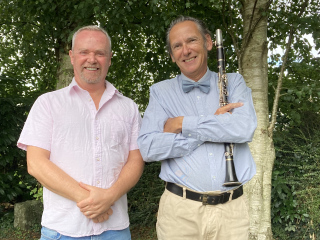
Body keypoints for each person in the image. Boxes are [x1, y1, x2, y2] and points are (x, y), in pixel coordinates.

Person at [17, 25, 144, 240]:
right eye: (84, 52)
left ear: (110, 58)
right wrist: (92, 201)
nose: (92, 59)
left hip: (115, 229)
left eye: (100, 53)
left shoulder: (129, 107)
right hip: (62, 230)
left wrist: (110, 196)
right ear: (72, 57)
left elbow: (136, 159)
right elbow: (36, 163)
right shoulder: (48, 104)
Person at [137, 16, 257, 240]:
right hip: (179, 214)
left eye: (191, 40)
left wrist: (181, 123)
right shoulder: (160, 92)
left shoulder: (234, 82)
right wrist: (215, 126)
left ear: (208, 42)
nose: (185, 50)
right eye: (177, 46)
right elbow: (149, 147)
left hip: (232, 213)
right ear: (172, 56)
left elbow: (244, 128)